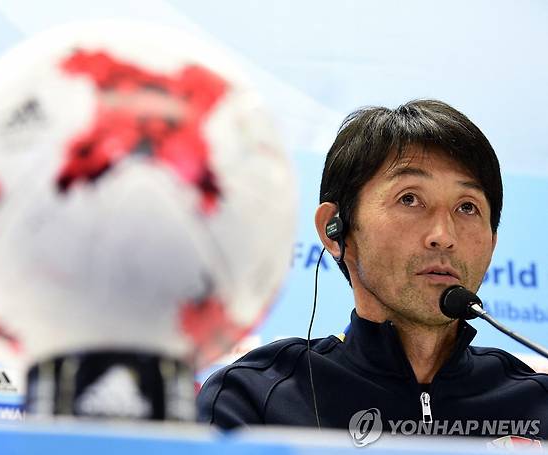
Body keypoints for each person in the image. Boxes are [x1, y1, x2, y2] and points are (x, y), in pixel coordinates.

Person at [196, 99, 548, 439]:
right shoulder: (255, 399)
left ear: (492, 241)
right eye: (409, 199)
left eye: (467, 207)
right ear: (336, 229)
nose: (443, 236)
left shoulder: (537, 404)